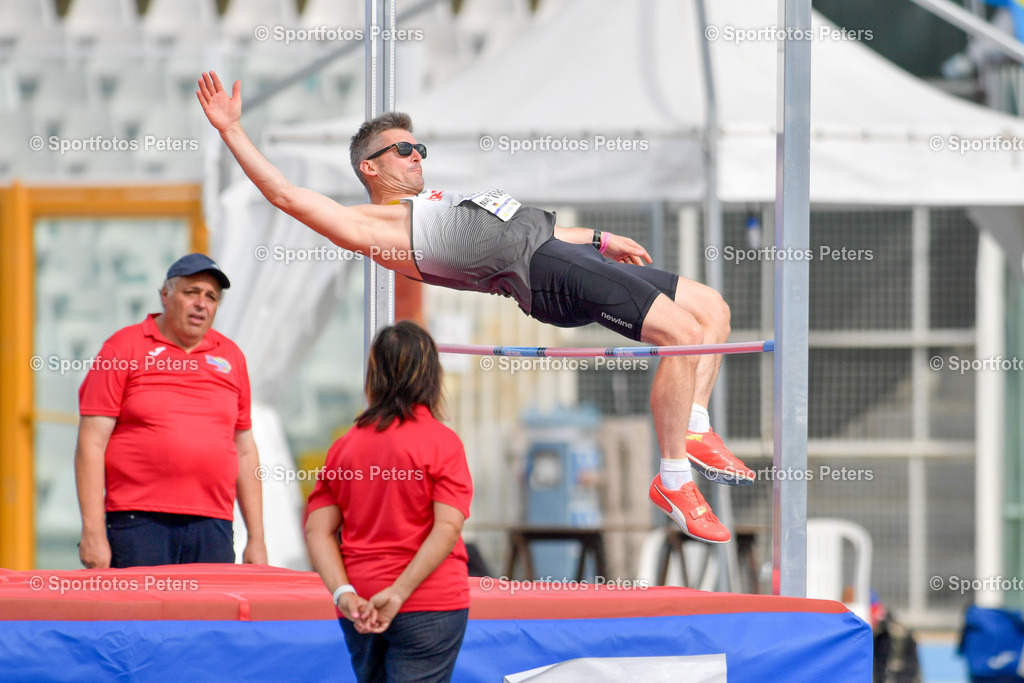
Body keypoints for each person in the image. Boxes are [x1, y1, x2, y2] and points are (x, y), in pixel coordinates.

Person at [198, 70, 750, 544]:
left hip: (559, 249)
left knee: (712, 309)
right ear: (369, 167)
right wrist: (231, 130)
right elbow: (286, 195)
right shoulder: (373, 226)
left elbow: (522, 225)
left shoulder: (437, 201)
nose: (417, 157)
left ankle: (695, 424)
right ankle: (674, 478)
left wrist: (600, 239)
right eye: (403, 150)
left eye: (420, 149)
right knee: (682, 335)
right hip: (543, 275)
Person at [304, 321, 472, 683]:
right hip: (429, 602)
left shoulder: (344, 446)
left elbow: (317, 531)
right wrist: (398, 593)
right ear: (430, 376)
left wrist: (344, 594)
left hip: (360, 604)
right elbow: (448, 526)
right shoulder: (442, 443)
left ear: (374, 375)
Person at [75, 253, 267, 568]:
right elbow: (91, 442)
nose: (201, 303)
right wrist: (93, 532)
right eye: (191, 292)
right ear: (165, 295)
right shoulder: (123, 348)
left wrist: (257, 539)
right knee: (140, 617)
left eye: (211, 297)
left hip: (213, 523)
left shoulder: (232, 356)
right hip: (138, 521)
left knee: (209, 618)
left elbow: (245, 450)